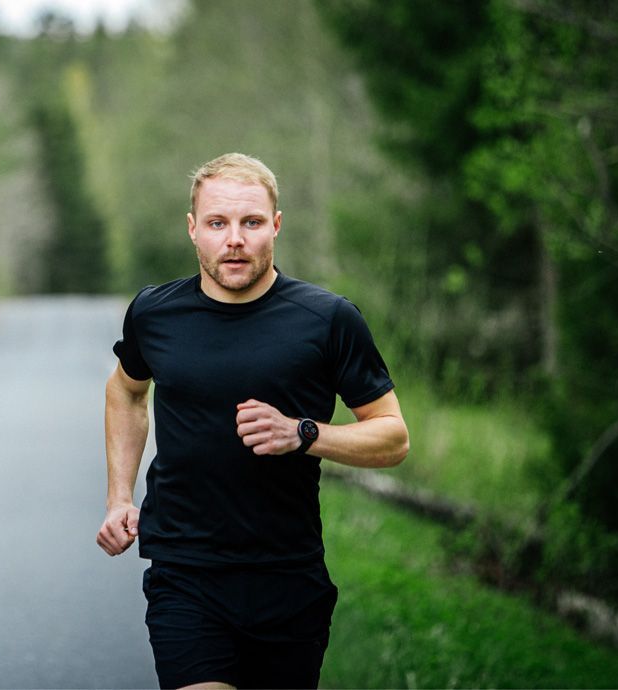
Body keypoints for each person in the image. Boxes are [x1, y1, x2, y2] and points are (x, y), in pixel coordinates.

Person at [97, 152, 409, 689]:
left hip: (287, 577)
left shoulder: (328, 320)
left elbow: (393, 436)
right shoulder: (155, 313)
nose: (234, 239)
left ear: (276, 227)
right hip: (184, 570)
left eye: (251, 222)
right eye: (218, 223)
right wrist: (119, 497)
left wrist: (303, 433)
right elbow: (126, 392)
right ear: (193, 230)